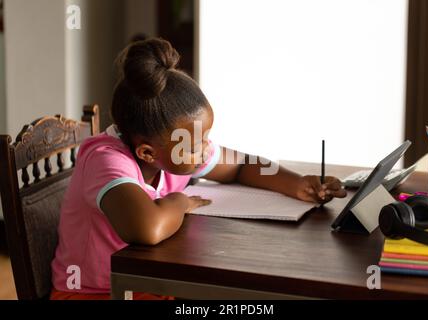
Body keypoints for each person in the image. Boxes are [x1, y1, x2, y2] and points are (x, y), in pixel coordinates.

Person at [50, 38, 346, 300]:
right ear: (147, 152)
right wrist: (180, 201)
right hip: (95, 293)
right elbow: (147, 229)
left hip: (151, 283)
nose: (206, 149)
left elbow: (242, 165)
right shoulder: (106, 161)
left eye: (205, 137)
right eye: (196, 144)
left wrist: (297, 184)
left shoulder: (178, 149)